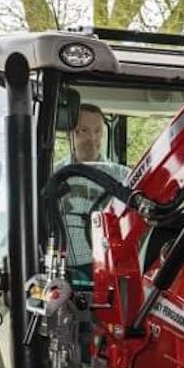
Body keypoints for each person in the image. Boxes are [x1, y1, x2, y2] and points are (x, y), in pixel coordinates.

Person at [57, 103, 130, 278]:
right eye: (84, 130)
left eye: (97, 131)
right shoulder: (53, 173)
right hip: (62, 267)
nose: (92, 138)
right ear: (69, 134)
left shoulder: (123, 176)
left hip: (108, 266)